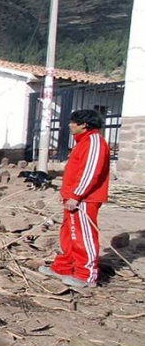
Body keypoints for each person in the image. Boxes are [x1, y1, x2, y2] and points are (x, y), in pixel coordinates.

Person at [39, 109, 110, 288]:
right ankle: (63, 267)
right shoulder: (82, 142)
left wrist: (76, 195)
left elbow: (90, 172)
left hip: (85, 199)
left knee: (83, 235)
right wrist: (67, 195)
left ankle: (86, 275)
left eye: (73, 122)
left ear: (84, 124)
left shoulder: (94, 142)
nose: (70, 125)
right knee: (69, 234)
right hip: (74, 198)